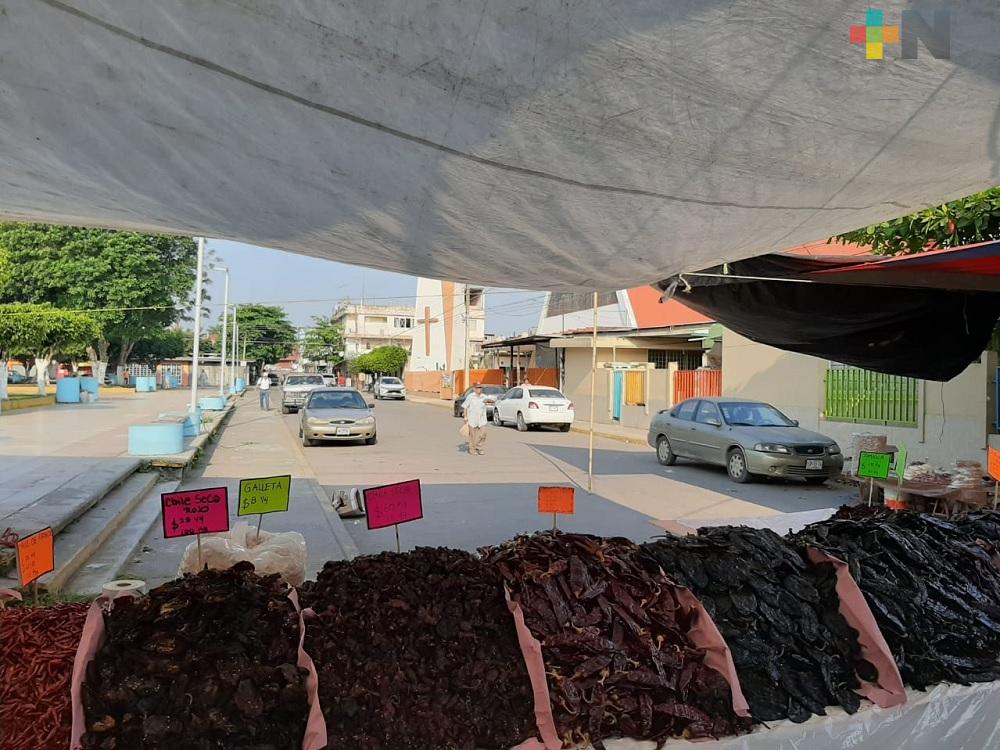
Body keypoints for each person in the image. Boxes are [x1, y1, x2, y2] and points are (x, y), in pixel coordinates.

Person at [463, 382, 489, 455]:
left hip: (482, 419)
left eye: (480, 387)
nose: (479, 389)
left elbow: (490, 402)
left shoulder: (484, 397)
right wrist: (465, 417)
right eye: (477, 387)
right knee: (472, 436)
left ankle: (479, 447)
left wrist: (490, 401)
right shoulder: (470, 396)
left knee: (483, 434)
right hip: (472, 418)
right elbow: (465, 406)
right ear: (474, 389)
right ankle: (472, 449)